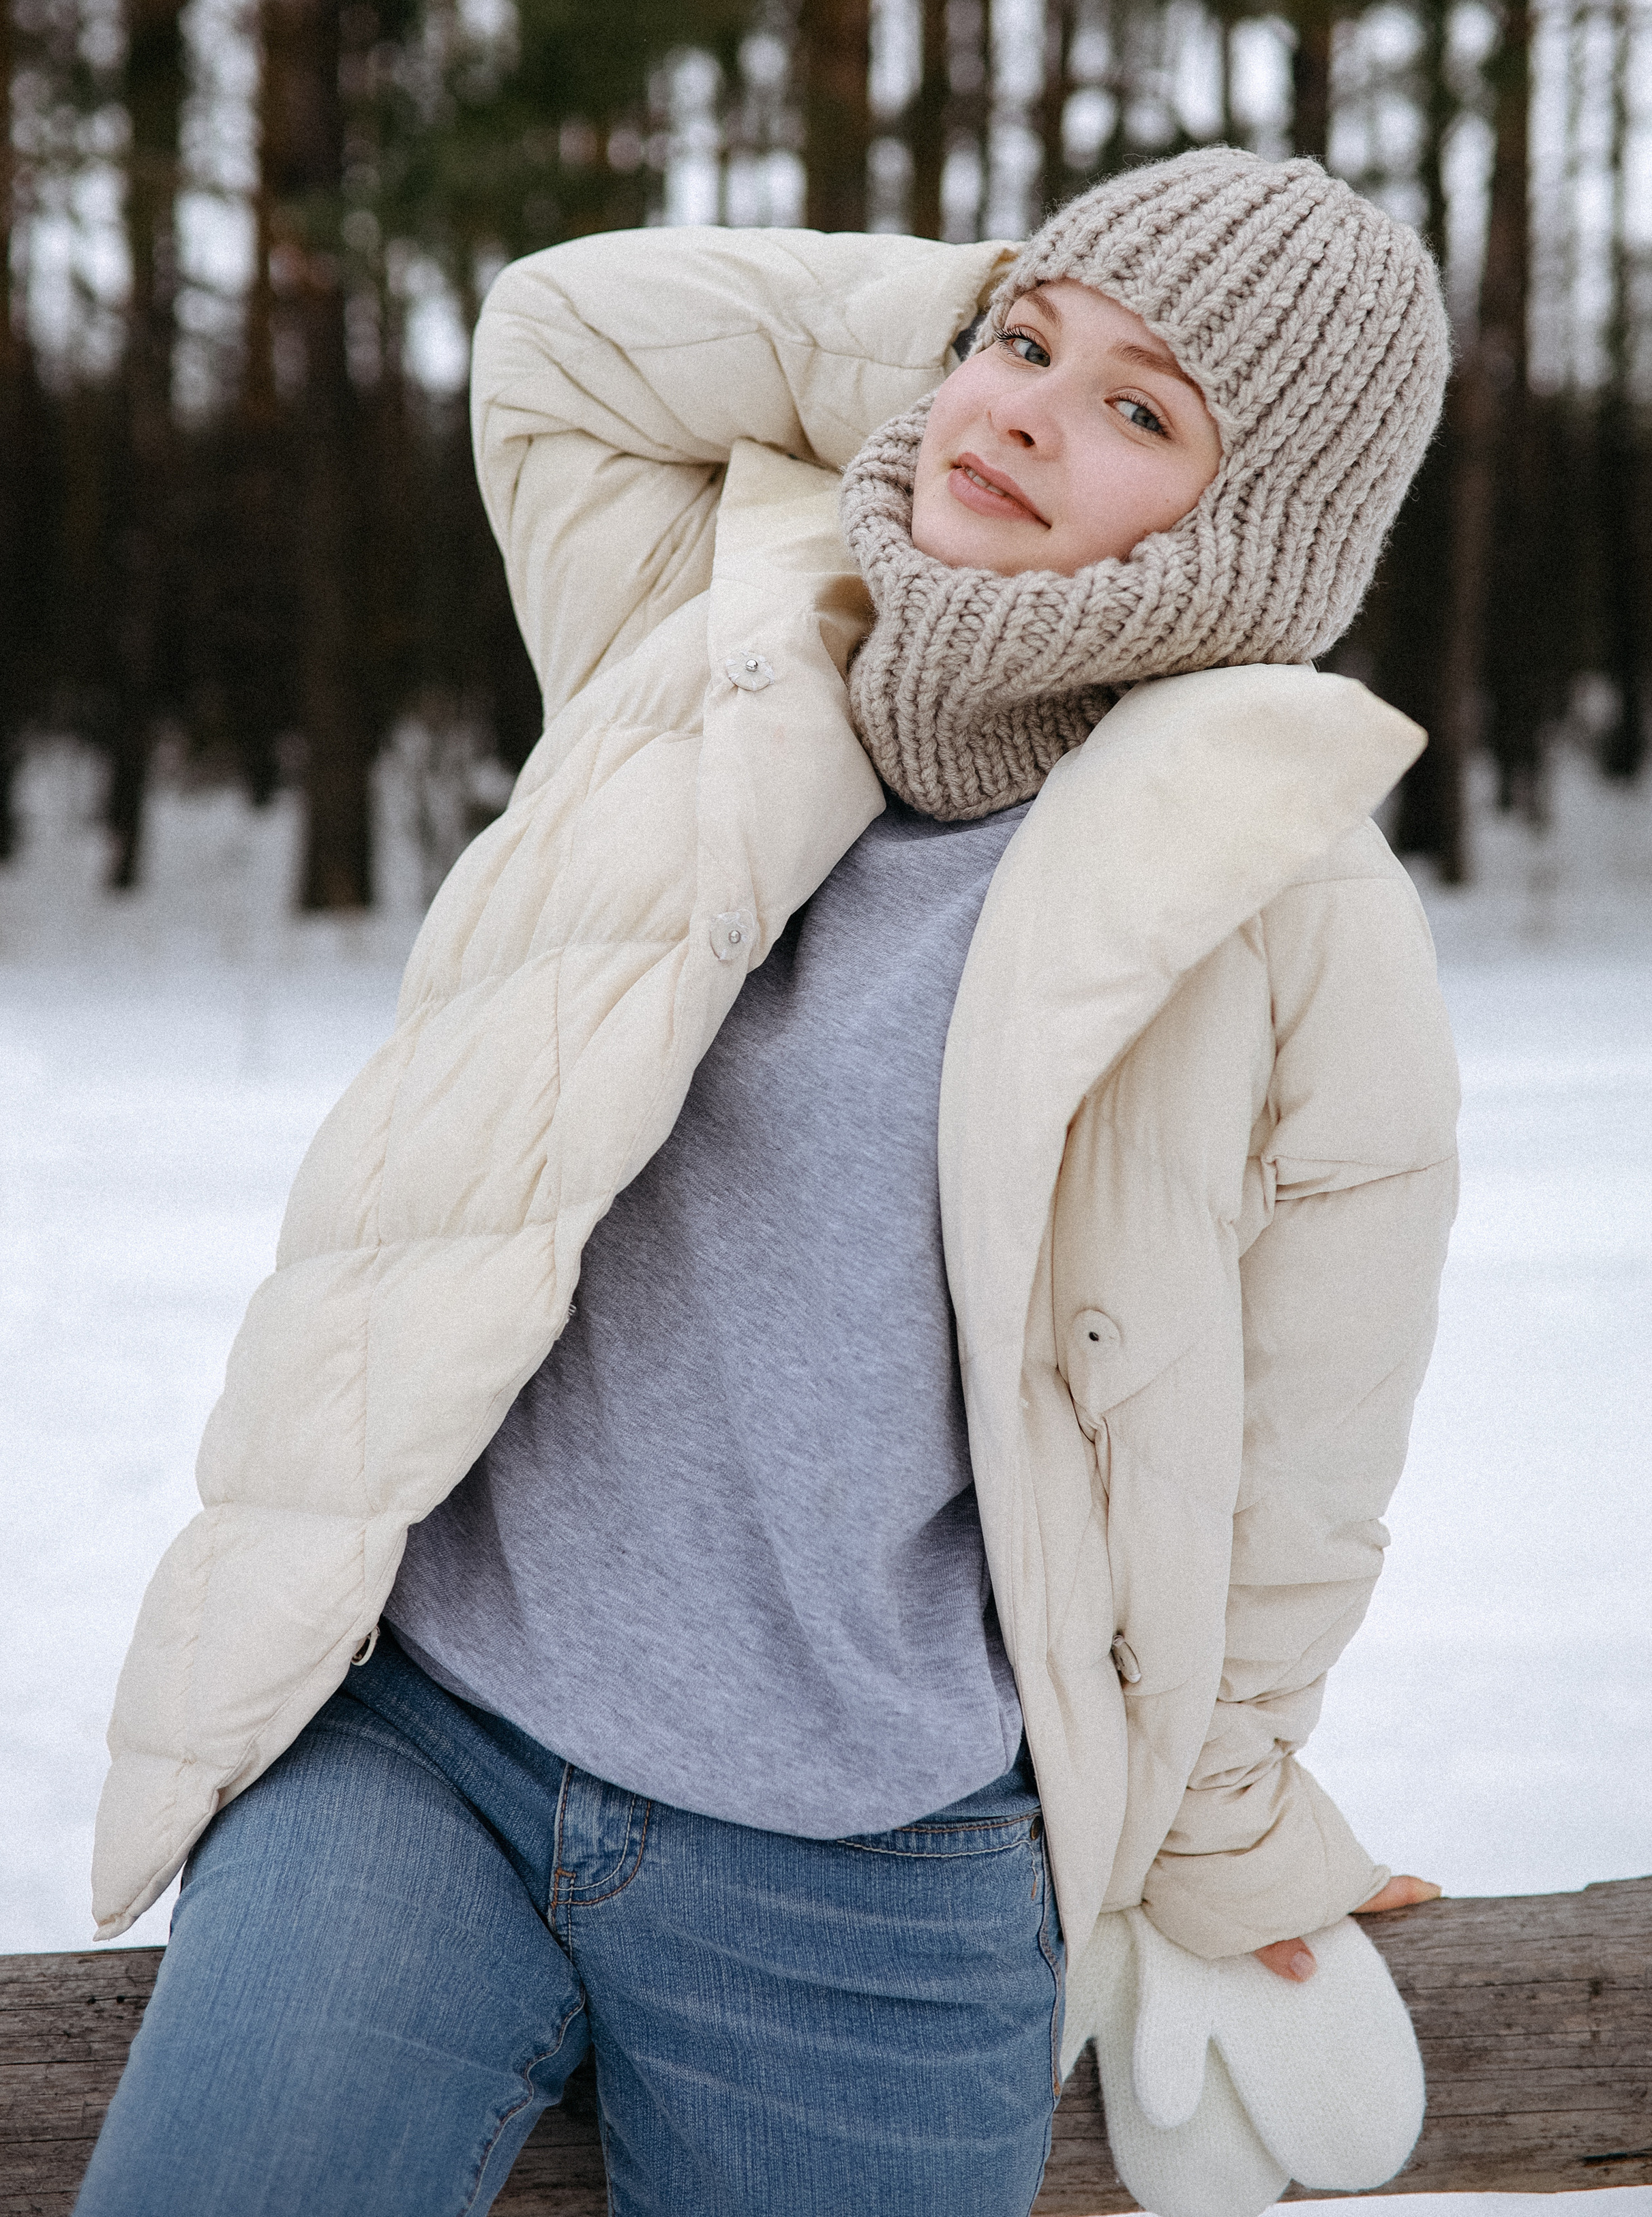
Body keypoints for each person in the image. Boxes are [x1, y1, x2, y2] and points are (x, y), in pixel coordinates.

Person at [76, 146, 1460, 2217]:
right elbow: (563, 333)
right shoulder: (707, 626)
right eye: (1024, 343)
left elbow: (1305, 1448)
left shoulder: (1292, 907)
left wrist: (1228, 1809)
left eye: (1142, 410)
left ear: (1258, 530)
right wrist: (969, 339)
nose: (1020, 411)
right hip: (422, 1745)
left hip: (871, 1892)